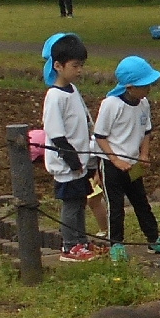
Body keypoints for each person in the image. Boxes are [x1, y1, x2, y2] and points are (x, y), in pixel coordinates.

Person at [94, 58, 160, 263]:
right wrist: (114, 160)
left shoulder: (143, 104)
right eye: (144, 85)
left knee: (141, 202)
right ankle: (116, 244)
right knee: (115, 206)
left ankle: (153, 238)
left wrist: (144, 154)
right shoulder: (111, 104)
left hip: (133, 164)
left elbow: (146, 130)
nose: (148, 89)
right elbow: (100, 136)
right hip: (112, 165)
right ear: (129, 87)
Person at [42, 35, 103, 263]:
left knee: (80, 202)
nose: (79, 70)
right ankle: (69, 246)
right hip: (67, 164)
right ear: (58, 66)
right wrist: (73, 162)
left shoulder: (73, 90)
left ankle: (81, 241)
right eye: (75, 66)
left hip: (81, 160)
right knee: (70, 205)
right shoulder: (54, 97)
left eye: (81, 66)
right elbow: (57, 135)